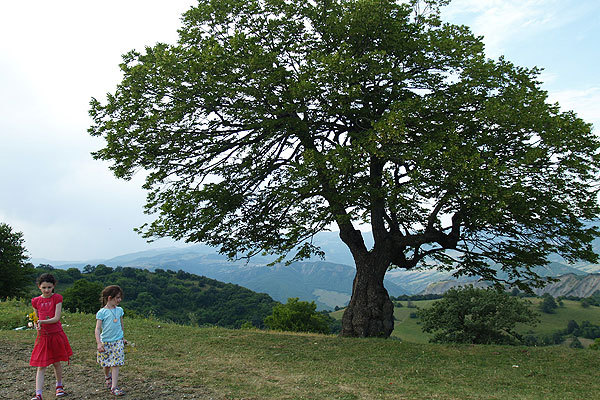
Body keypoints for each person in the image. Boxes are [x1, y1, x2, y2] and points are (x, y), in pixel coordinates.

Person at [29, 273, 73, 400]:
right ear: (39, 287)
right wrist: (37, 325)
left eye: (49, 287)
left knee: (56, 362)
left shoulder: (57, 298)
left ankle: (59, 386)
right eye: (44, 287)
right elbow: (36, 318)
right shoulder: (36, 301)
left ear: (53, 286)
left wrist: (42, 322)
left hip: (56, 334)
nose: (47, 290)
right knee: (41, 365)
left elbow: (56, 318)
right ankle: (38, 394)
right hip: (43, 336)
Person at [95, 285, 127, 396]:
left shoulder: (120, 310)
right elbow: (97, 329)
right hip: (106, 342)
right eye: (117, 297)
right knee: (106, 364)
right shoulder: (102, 312)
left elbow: (121, 325)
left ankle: (114, 387)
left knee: (115, 364)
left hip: (117, 341)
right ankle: (107, 376)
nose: (119, 300)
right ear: (110, 298)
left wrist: (122, 338)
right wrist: (99, 343)